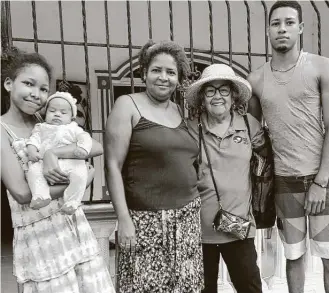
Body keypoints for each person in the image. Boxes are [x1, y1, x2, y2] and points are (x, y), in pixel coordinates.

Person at [1, 49, 115, 293]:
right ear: (9, 84)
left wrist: (54, 153)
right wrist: (81, 182)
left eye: (43, 89)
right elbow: (21, 193)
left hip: (72, 225)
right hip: (39, 235)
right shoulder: (2, 130)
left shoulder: (46, 122)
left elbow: (93, 146)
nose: (37, 94)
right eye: (28, 84)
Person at [104, 40, 203, 293]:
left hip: (186, 220)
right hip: (144, 222)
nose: (163, 78)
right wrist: (124, 219)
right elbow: (112, 166)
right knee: (144, 286)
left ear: (178, 78)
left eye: (171, 72)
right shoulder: (127, 105)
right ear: (144, 72)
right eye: (156, 70)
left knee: (184, 286)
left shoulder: (180, 110)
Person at [247, 1, 329, 293]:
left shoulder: (320, 66)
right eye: (276, 23)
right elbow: (251, 137)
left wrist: (322, 180)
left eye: (289, 22)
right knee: (293, 257)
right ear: (268, 29)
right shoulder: (256, 79)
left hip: (322, 180)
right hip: (284, 182)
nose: (282, 28)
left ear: (301, 28)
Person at [186, 64, 265, 293]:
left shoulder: (250, 125)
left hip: (239, 228)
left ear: (233, 95)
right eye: (210, 91)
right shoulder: (190, 128)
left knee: (249, 287)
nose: (217, 96)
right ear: (203, 98)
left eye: (224, 90)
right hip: (198, 231)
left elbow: (266, 160)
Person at [26, 91, 92, 214]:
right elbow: (33, 139)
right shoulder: (41, 127)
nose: (57, 114)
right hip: (45, 163)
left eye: (63, 112)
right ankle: (41, 195)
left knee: (80, 174)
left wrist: (83, 149)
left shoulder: (74, 128)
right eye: (52, 111)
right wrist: (31, 150)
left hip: (70, 162)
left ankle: (72, 202)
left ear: (71, 117)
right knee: (33, 171)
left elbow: (85, 138)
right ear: (46, 113)